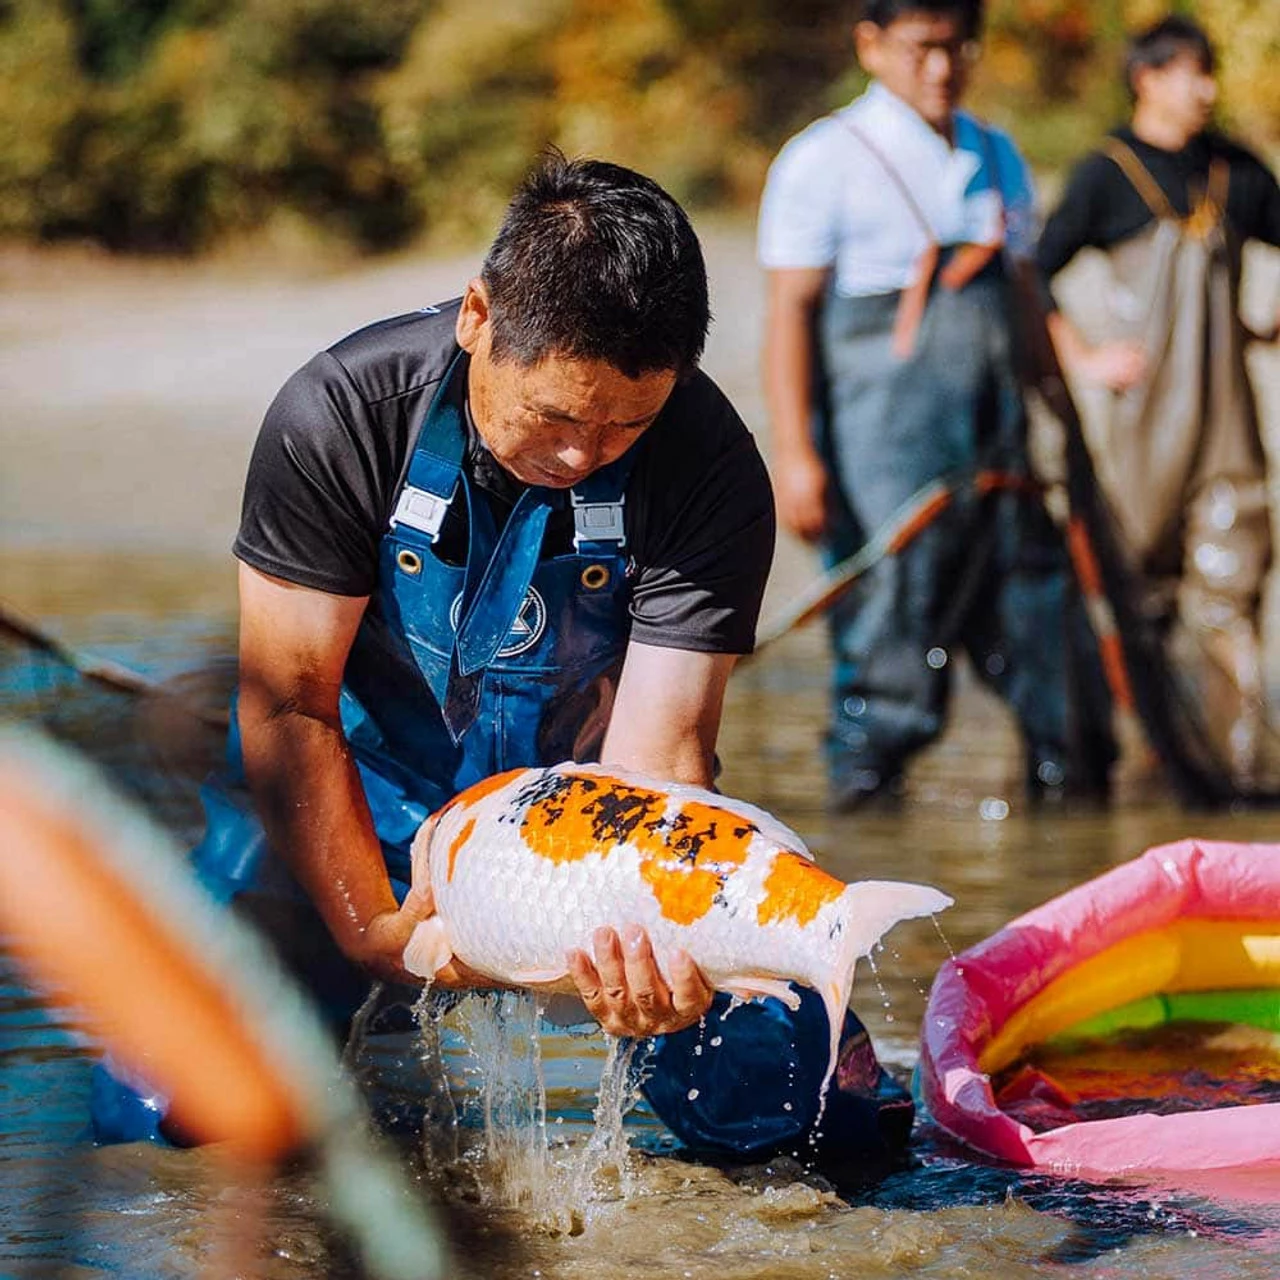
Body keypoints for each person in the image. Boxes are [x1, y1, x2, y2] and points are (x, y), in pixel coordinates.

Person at [90, 152, 911, 1164]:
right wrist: (367, 928)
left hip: (585, 838)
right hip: (353, 793)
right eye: (558, 416)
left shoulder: (709, 464)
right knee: (162, 1115)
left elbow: (663, 761)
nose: (582, 456)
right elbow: (289, 703)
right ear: (478, 316)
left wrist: (657, 949)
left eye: (626, 425)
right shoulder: (340, 412)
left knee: (837, 1120)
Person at [757, 0, 1114, 812]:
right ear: (872, 46)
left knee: (1055, 666)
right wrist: (797, 458)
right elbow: (789, 317)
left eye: (958, 49)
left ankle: (1068, 864)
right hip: (882, 464)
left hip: (1002, 458)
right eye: (923, 49)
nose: (943, 69)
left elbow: (1025, 303)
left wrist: (1063, 415)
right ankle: (861, 848)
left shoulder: (997, 152)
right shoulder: (822, 159)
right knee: (889, 664)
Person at [1038, 14, 1280, 789]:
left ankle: (1233, 771)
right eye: (1190, 71)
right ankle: (1150, 758)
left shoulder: (1236, 172)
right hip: (1137, 432)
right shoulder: (1106, 174)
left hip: (1228, 430)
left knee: (1230, 586)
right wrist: (1084, 355)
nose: (1206, 87)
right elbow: (1033, 272)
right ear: (1147, 78)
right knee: (1138, 595)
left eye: (1209, 71)